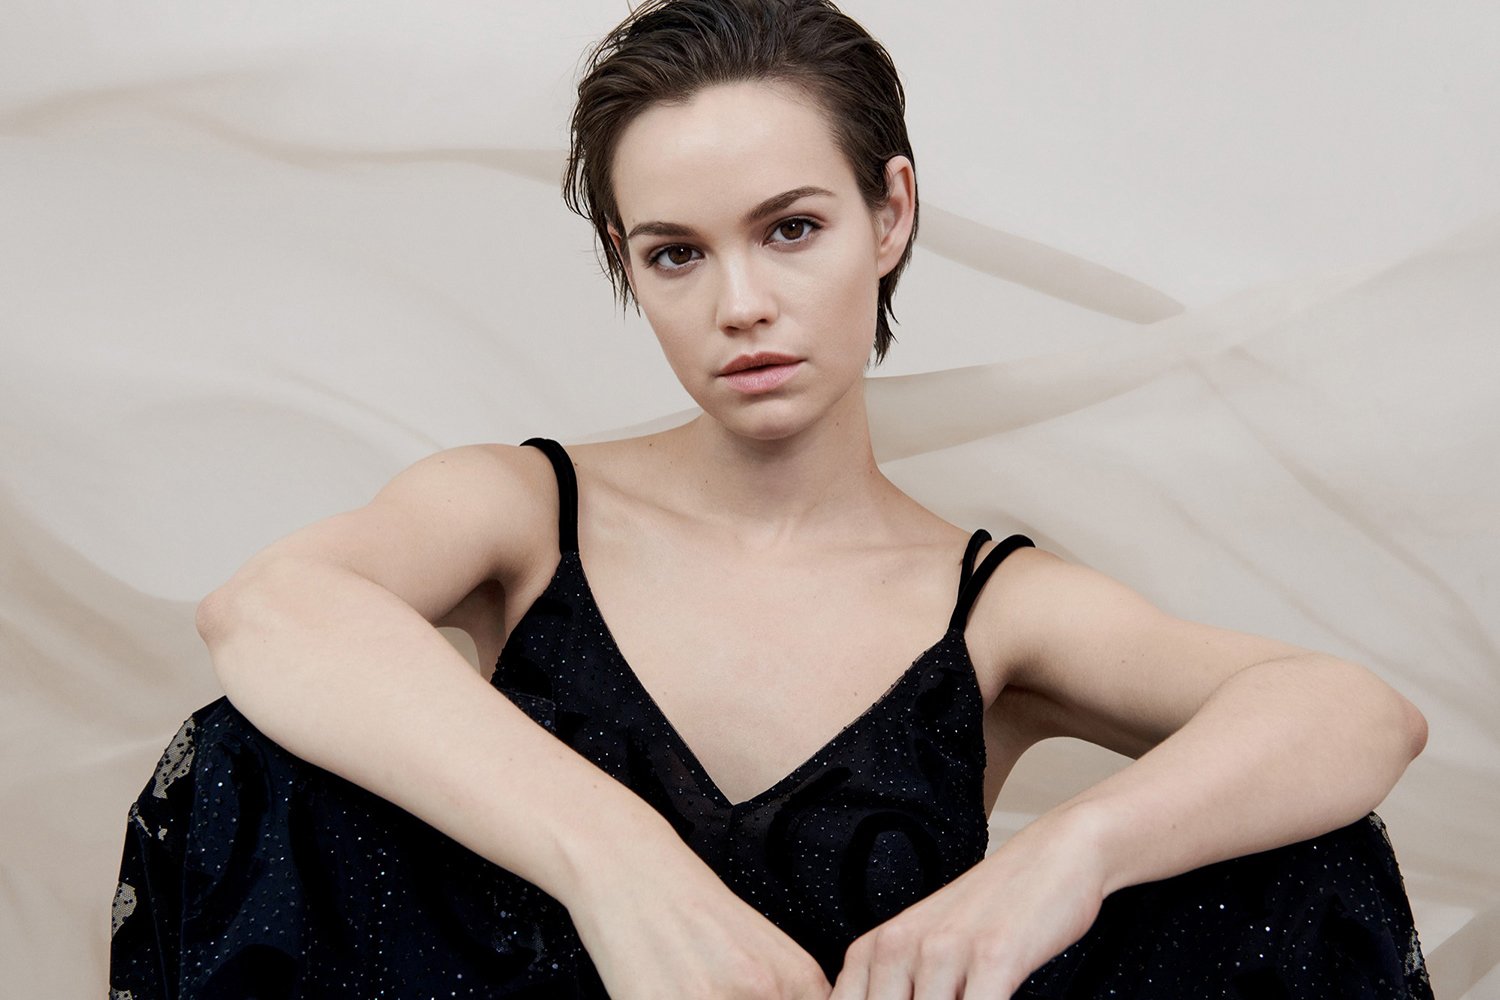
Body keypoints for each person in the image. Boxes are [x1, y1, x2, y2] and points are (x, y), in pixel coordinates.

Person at [109, 0, 1434, 996]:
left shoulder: (997, 609)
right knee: (258, 757)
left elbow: (1351, 713)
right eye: (676, 254)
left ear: (890, 213)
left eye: (791, 228)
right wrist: (620, 874)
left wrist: (1063, 859)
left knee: (1299, 858)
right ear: (628, 263)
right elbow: (271, 608)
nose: (741, 305)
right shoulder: (523, 513)